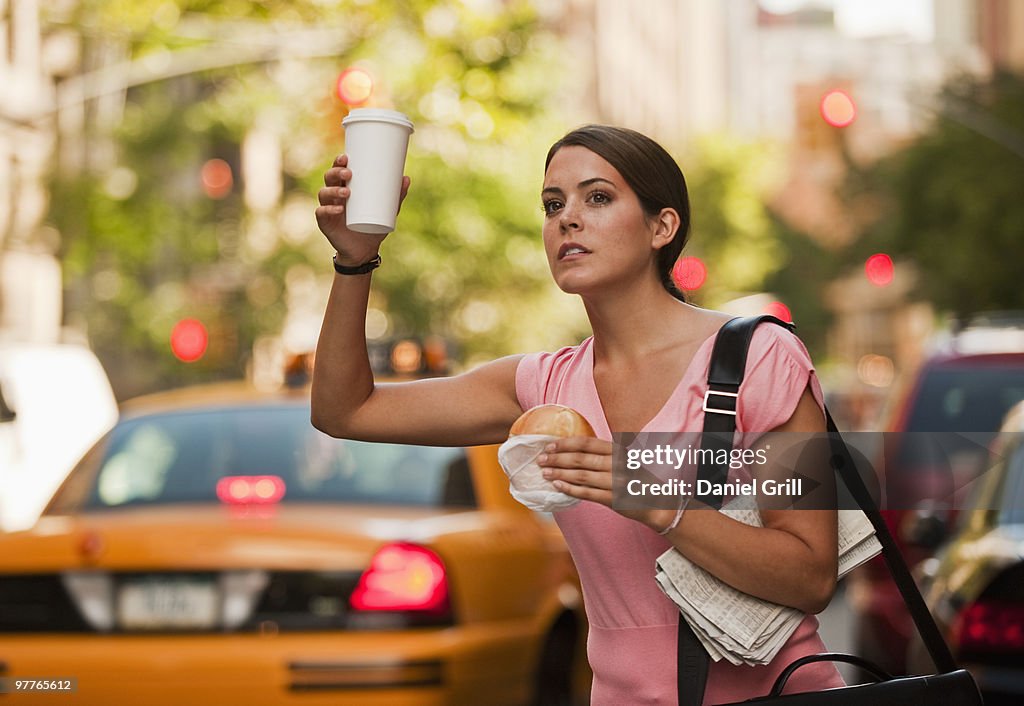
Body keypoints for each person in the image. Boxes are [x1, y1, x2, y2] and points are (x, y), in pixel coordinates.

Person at [312, 124, 844, 704]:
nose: (567, 219)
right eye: (552, 204)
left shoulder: (760, 358)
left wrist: (652, 497)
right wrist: (354, 258)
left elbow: (811, 574)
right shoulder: (542, 386)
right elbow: (346, 411)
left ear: (661, 227)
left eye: (598, 198)